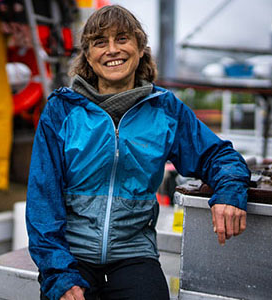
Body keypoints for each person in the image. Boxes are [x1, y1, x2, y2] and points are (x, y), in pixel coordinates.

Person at [26, 5, 250, 300]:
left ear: (140, 48)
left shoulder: (165, 109)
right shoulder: (61, 110)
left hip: (134, 254)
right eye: (99, 42)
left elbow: (218, 156)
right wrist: (59, 275)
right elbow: (43, 199)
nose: (111, 50)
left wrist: (230, 192)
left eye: (122, 39)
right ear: (88, 56)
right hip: (71, 255)